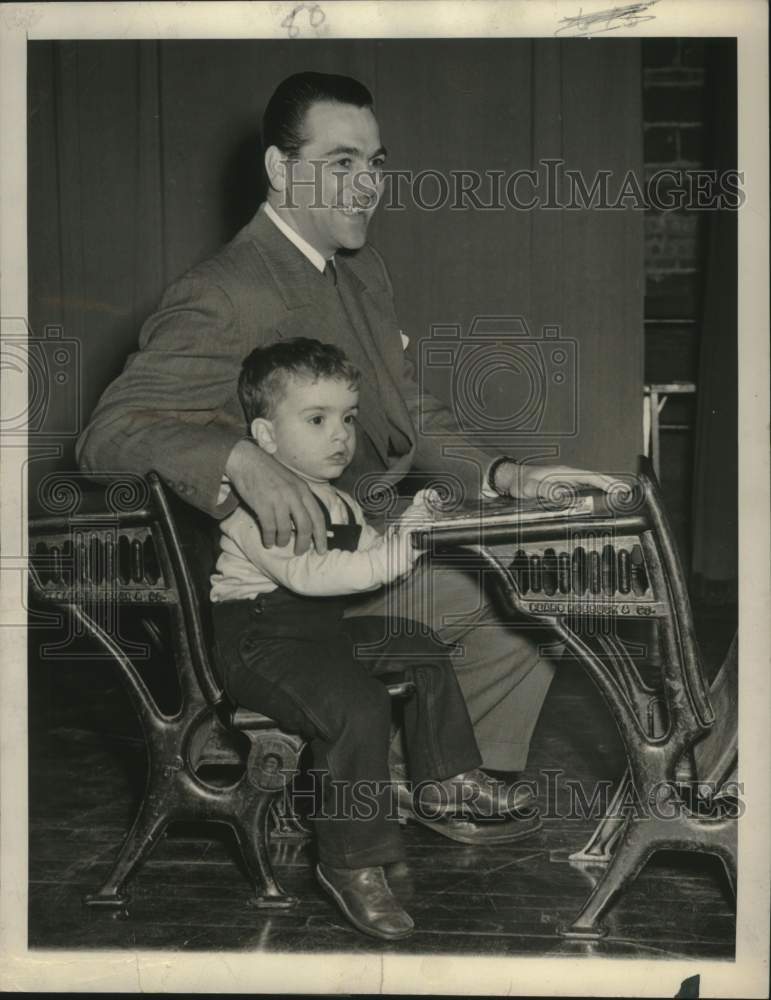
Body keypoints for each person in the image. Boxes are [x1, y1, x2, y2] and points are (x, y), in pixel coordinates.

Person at [76, 70, 614, 790]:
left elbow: (405, 408)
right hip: (291, 592)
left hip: (367, 536)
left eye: (375, 164)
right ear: (280, 169)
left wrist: (507, 477)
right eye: (340, 164)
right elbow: (108, 433)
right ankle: (407, 779)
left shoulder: (360, 272)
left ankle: (431, 778)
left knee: (528, 588)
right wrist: (237, 456)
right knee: (509, 594)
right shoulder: (225, 291)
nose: (366, 185)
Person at [211, 336, 536, 941]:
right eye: (317, 419)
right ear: (265, 436)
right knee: (355, 704)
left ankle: (444, 777)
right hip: (258, 641)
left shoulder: (336, 500)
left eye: (348, 418)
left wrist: (413, 524)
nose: (341, 434)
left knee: (416, 642)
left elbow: (373, 555)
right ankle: (349, 864)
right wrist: (394, 553)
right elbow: (315, 574)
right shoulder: (258, 505)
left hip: (316, 633)